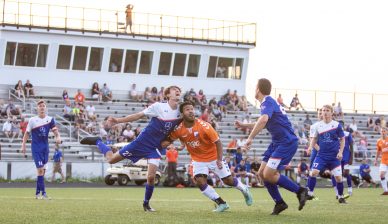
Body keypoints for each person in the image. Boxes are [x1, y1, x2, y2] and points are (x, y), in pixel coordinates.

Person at [80, 86, 182, 211]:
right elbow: (138, 115)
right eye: (174, 89)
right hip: (141, 142)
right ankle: (98, 141)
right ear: (167, 95)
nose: (177, 91)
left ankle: (146, 204)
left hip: (155, 147)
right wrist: (118, 120)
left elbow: (181, 129)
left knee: (151, 177)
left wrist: (179, 142)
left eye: (179, 90)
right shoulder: (159, 107)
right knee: (111, 160)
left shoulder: (180, 111)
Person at [235, 78, 308, 215]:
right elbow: (262, 121)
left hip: (286, 142)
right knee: (262, 174)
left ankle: (300, 191)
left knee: (269, 174)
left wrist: (250, 138)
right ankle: (280, 203)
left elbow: (263, 120)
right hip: (277, 142)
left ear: (258, 89)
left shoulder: (267, 101)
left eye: (255, 87)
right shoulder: (268, 103)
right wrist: (244, 125)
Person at [163, 101, 252, 212]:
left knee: (228, 181)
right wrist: (165, 144)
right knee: (200, 182)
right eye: (187, 109)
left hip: (214, 157)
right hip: (198, 159)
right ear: (182, 114)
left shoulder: (205, 126)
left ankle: (244, 189)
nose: (191, 111)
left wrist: (219, 160)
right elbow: (171, 140)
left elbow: (218, 142)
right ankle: (222, 203)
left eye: (192, 109)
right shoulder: (179, 129)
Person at [306, 104, 346, 203]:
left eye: (327, 110)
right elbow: (314, 138)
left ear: (332, 112)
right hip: (321, 156)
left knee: (339, 178)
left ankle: (340, 197)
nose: (325, 112)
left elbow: (342, 139)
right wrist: (311, 147)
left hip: (334, 157)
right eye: (323, 110)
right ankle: (309, 194)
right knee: (313, 172)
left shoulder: (336, 125)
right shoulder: (318, 126)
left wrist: (340, 152)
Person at [21, 100, 61, 199]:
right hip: (36, 148)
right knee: (40, 170)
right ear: (37, 108)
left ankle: (37, 193)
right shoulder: (32, 120)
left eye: (43, 106)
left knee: (42, 171)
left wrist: (58, 137)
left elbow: (55, 131)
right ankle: (43, 194)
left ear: (46, 108)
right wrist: (23, 145)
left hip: (45, 148)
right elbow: (26, 133)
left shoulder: (50, 119)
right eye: (40, 106)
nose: (42, 107)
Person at [375, 127, 388, 195]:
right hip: (383, 160)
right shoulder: (379, 141)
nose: (383, 133)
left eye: (384, 131)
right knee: (381, 174)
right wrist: (376, 160)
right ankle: (386, 191)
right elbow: (378, 151)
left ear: (387, 132)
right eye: (382, 131)